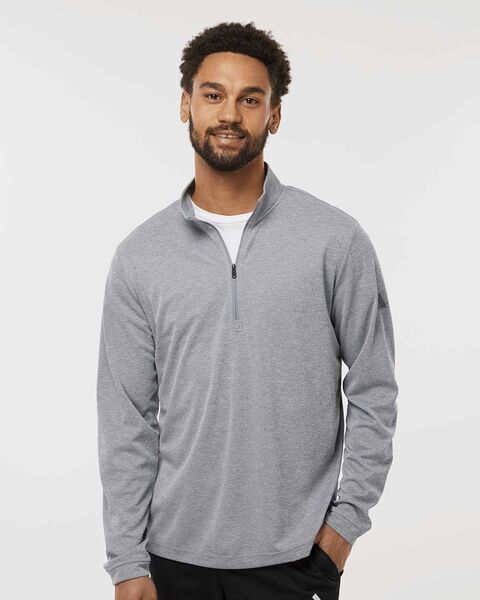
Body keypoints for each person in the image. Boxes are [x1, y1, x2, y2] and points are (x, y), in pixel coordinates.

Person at [96, 20, 399, 600]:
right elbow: (126, 420)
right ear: (185, 105)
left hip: (298, 557)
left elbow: (374, 387)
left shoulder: (334, 240)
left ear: (274, 115)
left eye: (250, 99)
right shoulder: (140, 257)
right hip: (171, 559)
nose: (229, 114)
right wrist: (127, 562)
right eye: (213, 95)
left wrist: (343, 528)